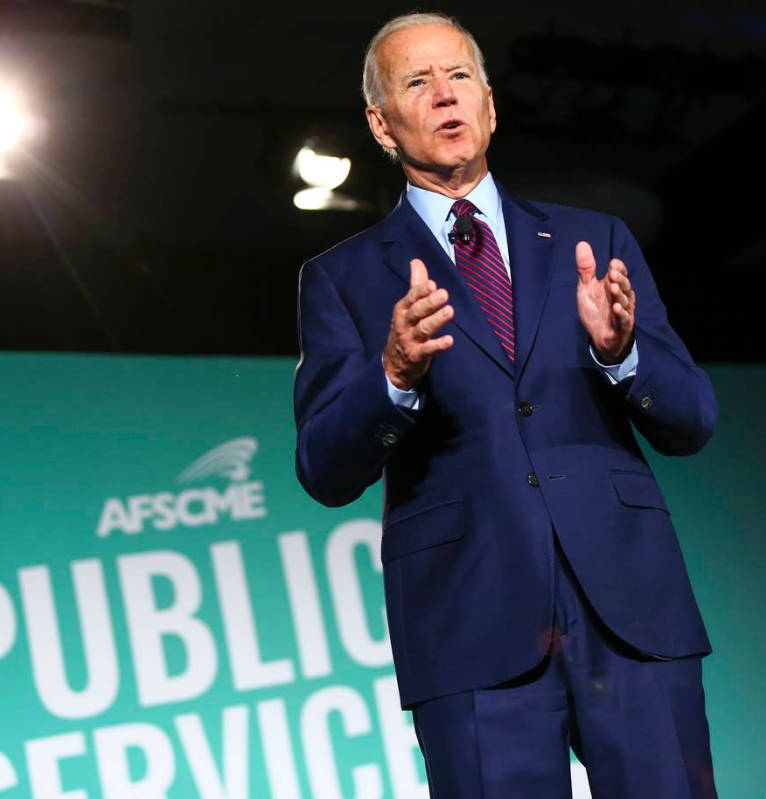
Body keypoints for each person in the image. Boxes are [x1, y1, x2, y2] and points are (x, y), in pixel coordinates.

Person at [293, 12, 719, 799]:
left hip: (630, 611)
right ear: (381, 125)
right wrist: (391, 374)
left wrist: (622, 354)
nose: (444, 95)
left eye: (459, 77)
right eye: (417, 82)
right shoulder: (343, 278)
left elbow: (692, 419)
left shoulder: (597, 242)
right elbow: (323, 465)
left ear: (490, 105)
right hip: (469, 628)